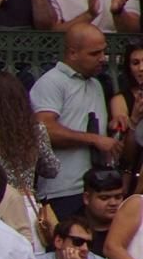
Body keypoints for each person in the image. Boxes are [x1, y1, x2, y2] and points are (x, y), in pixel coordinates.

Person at [30, 23, 118, 223]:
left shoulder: (96, 84)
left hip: (96, 189)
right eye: (94, 53)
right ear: (72, 53)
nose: (102, 59)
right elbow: (45, 130)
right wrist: (94, 140)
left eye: (104, 51)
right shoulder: (51, 82)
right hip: (62, 190)